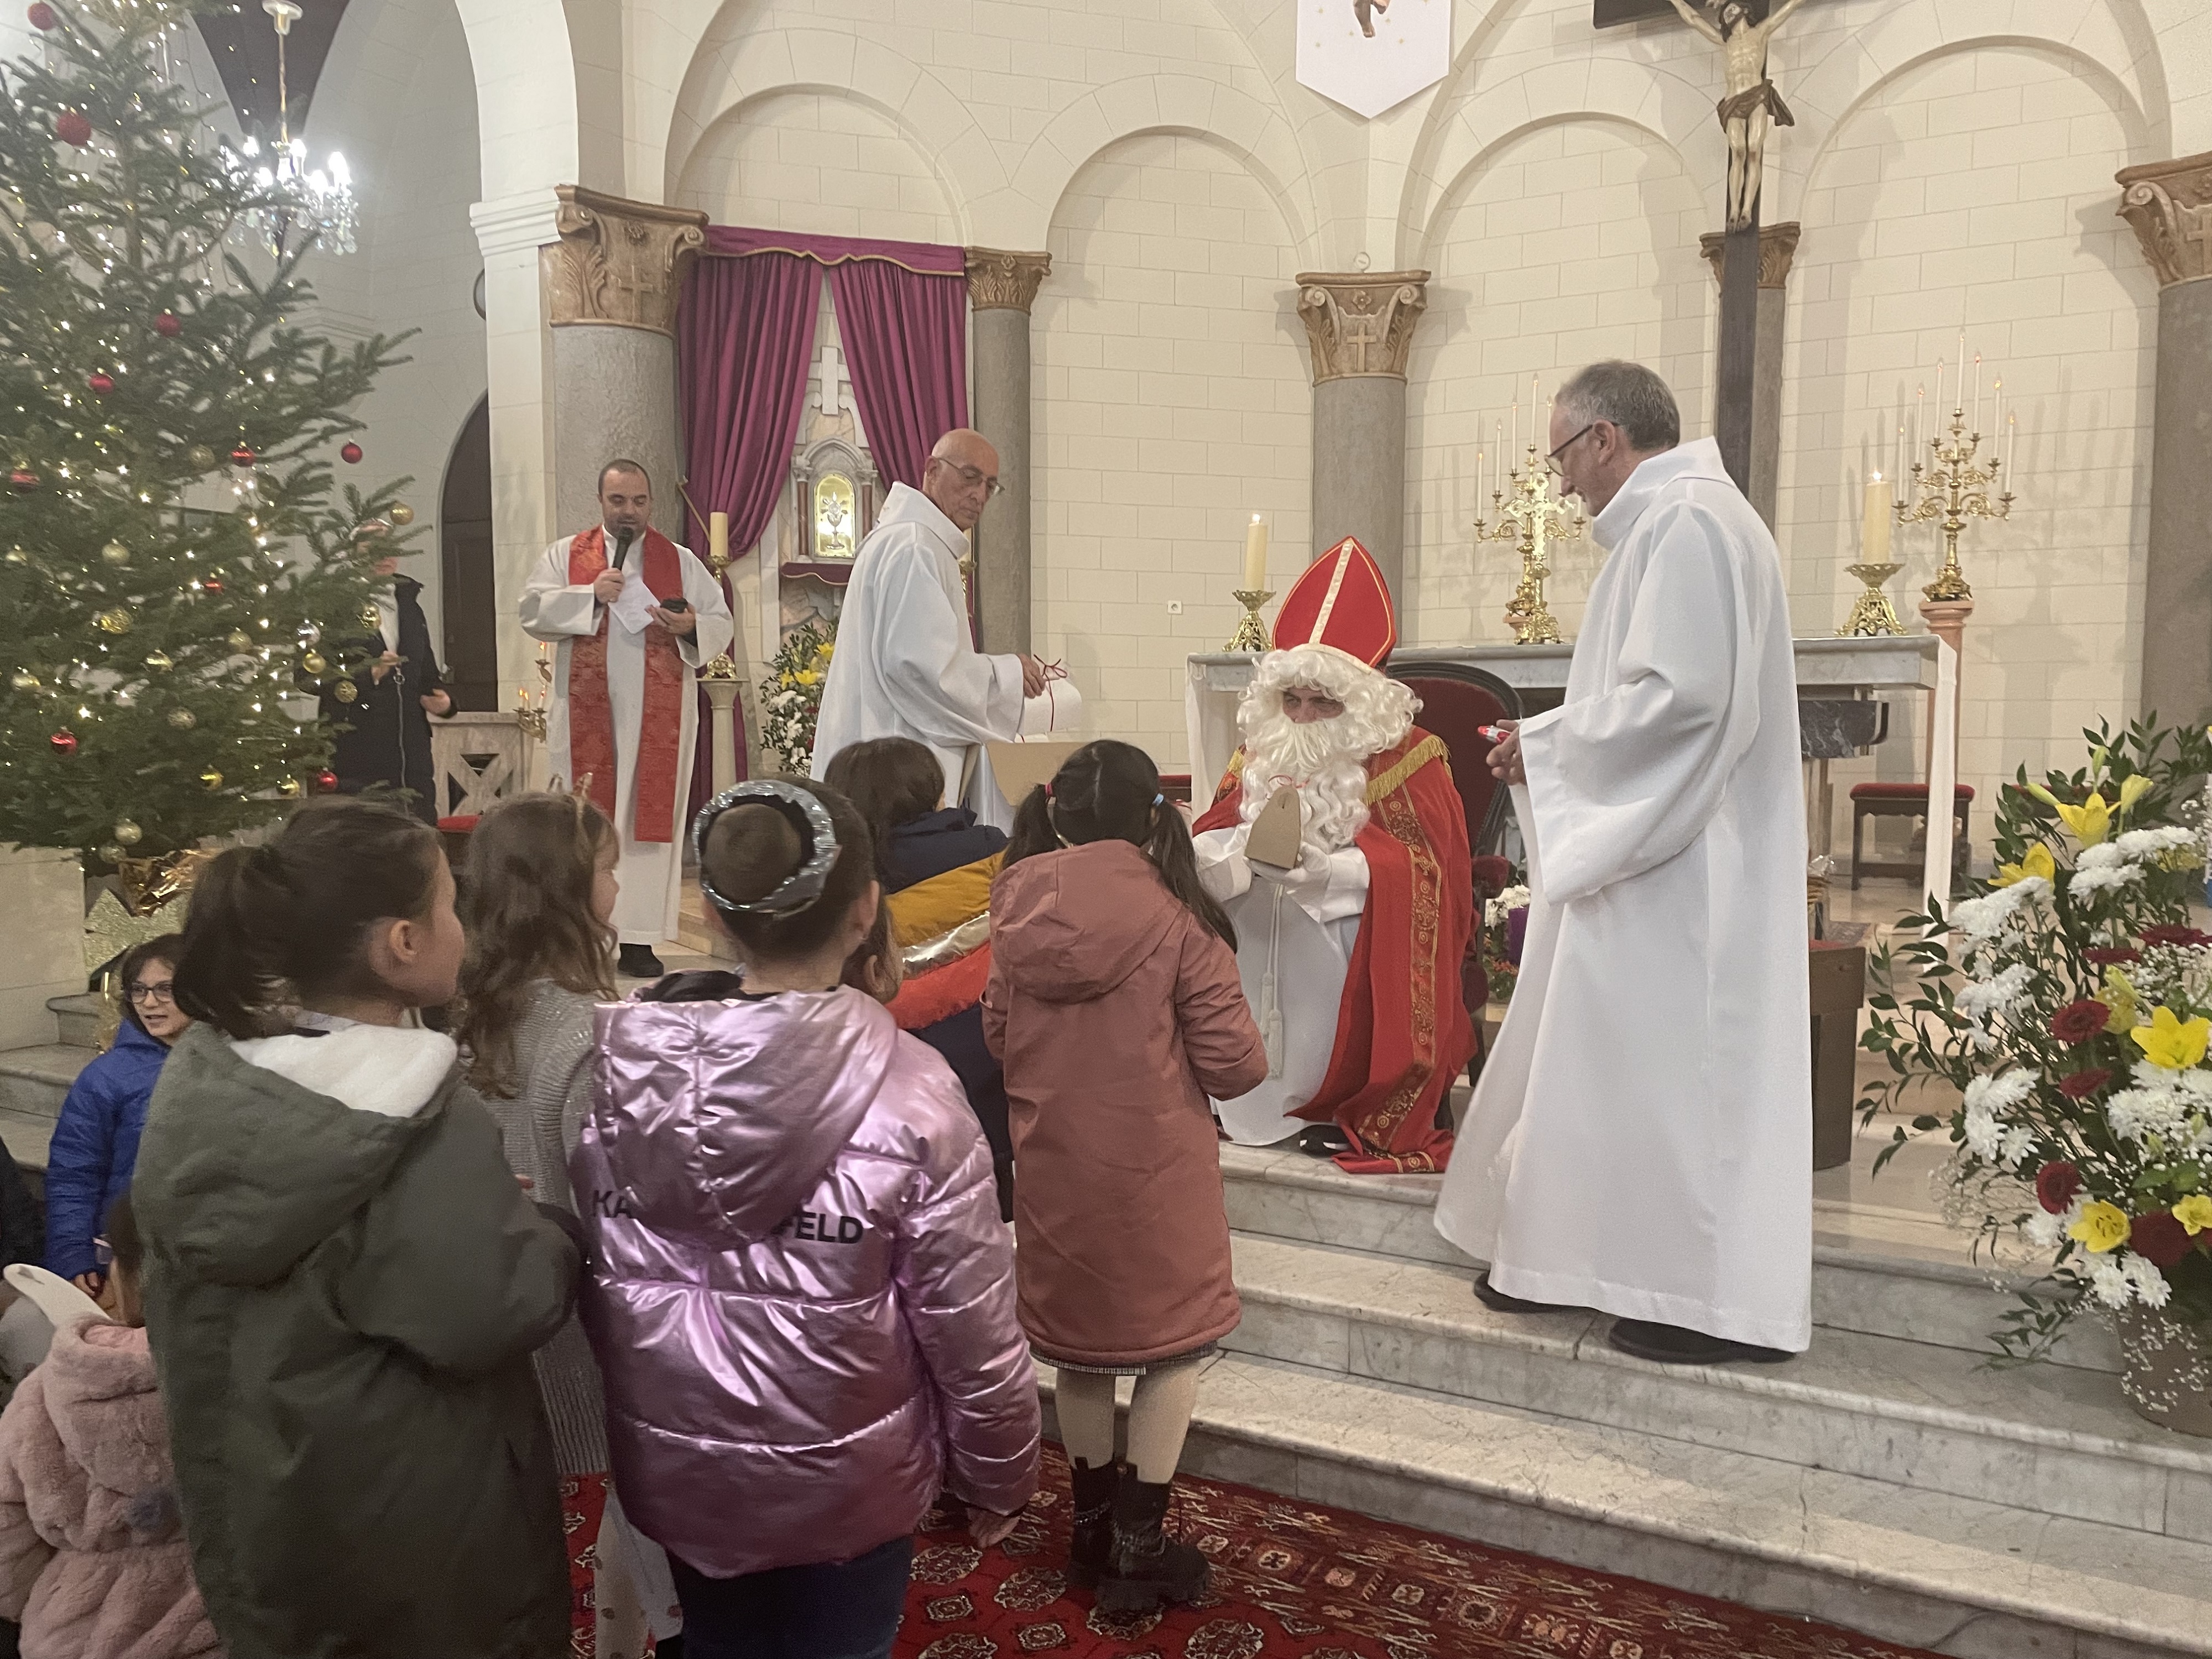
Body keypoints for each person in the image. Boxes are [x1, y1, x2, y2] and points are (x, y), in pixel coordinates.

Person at [573, 778, 1038, 1659]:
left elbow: (613, 1291)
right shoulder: (913, 1095)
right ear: (866, 911)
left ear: (715, 912)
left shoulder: (624, 1079)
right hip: (845, 1493)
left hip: (683, 1477)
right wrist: (999, 1471)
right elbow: (970, 1325)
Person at [134, 798, 582, 1659]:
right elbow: (492, 1309)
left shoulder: (208, 1086)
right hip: (412, 1534)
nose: (463, 926)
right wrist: (551, 1230)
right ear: (402, 943)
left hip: (266, 1517)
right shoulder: (414, 1125)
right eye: (449, 903)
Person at [1434, 359, 1811, 1365]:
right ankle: (1573, 1262)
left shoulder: (1690, 524)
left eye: (1562, 454)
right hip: (1655, 844)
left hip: (1687, 860)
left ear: (1604, 438)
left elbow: (1686, 701)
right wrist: (1553, 745)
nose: (1560, 482)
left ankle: (1705, 1300)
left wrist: (1550, 747)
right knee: (1607, 1058)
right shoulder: (1675, 523)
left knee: (1674, 1075)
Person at [984, 740, 1267, 1614]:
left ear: (1057, 812)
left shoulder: (1016, 907)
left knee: (1079, 1355)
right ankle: (1138, 1552)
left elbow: (998, 1035)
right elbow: (1236, 1066)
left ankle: (1089, 1533)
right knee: (1168, 1353)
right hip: (1154, 1174)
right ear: (1155, 817)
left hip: (1054, 1166)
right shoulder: (1179, 917)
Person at [455, 792, 684, 1659]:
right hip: (585, 1317)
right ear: (567, 891)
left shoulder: (470, 1007)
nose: (619, 886)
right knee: (634, 1501)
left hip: (501, 1299)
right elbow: (623, 1211)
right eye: (608, 870)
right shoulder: (586, 1037)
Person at [1190, 538, 1477, 1173]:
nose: (1303, 716)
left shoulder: (1412, 756)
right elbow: (1218, 824)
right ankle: (1241, 1103)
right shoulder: (1261, 750)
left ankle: (1337, 1104)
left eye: (1323, 702)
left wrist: (1330, 874)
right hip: (1253, 924)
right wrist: (1219, 855)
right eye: (1291, 700)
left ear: (1361, 704)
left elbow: (1431, 875)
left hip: (1352, 927)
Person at [521, 459, 735, 979]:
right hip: (587, 717)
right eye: (618, 501)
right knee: (584, 822)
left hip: (658, 723)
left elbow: (720, 622)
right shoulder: (566, 556)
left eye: (639, 501)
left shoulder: (681, 562)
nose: (629, 512)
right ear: (601, 501)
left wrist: (690, 625)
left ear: (651, 503)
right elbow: (531, 610)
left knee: (646, 822)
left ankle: (638, 937)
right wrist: (588, 595)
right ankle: (582, 936)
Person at [0, 1196, 221, 1659]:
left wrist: (48, 1604)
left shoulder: (47, 1392)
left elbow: (8, 1537)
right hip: (228, 1629)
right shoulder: (262, 1384)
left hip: (75, 1638)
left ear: (125, 1274)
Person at [810, 429, 1051, 832]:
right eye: (970, 477)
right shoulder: (915, 547)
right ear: (932, 470)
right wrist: (1007, 675)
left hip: (881, 752)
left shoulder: (915, 540)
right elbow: (920, 668)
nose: (980, 495)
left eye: (990, 486)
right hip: (894, 763)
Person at [825, 735, 1014, 1219]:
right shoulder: (990, 851)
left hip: (887, 1079)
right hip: (988, 1057)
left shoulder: (841, 877)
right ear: (935, 793)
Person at [45, 935, 187, 1300]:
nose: (149, 1003)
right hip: (129, 1255)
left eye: (165, 989)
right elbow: (74, 1174)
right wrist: (73, 1255)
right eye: (139, 990)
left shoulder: (239, 1065)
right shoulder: (107, 1078)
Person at [317, 553, 456, 824]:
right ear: (353, 553)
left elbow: (426, 672)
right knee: (366, 829)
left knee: (418, 826)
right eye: (372, 547)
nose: (384, 556)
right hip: (358, 742)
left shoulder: (410, 606)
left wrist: (444, 702)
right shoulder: (334, 607)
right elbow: (308, 677)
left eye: (389, 547)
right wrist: (369, 675)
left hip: (411, 745)